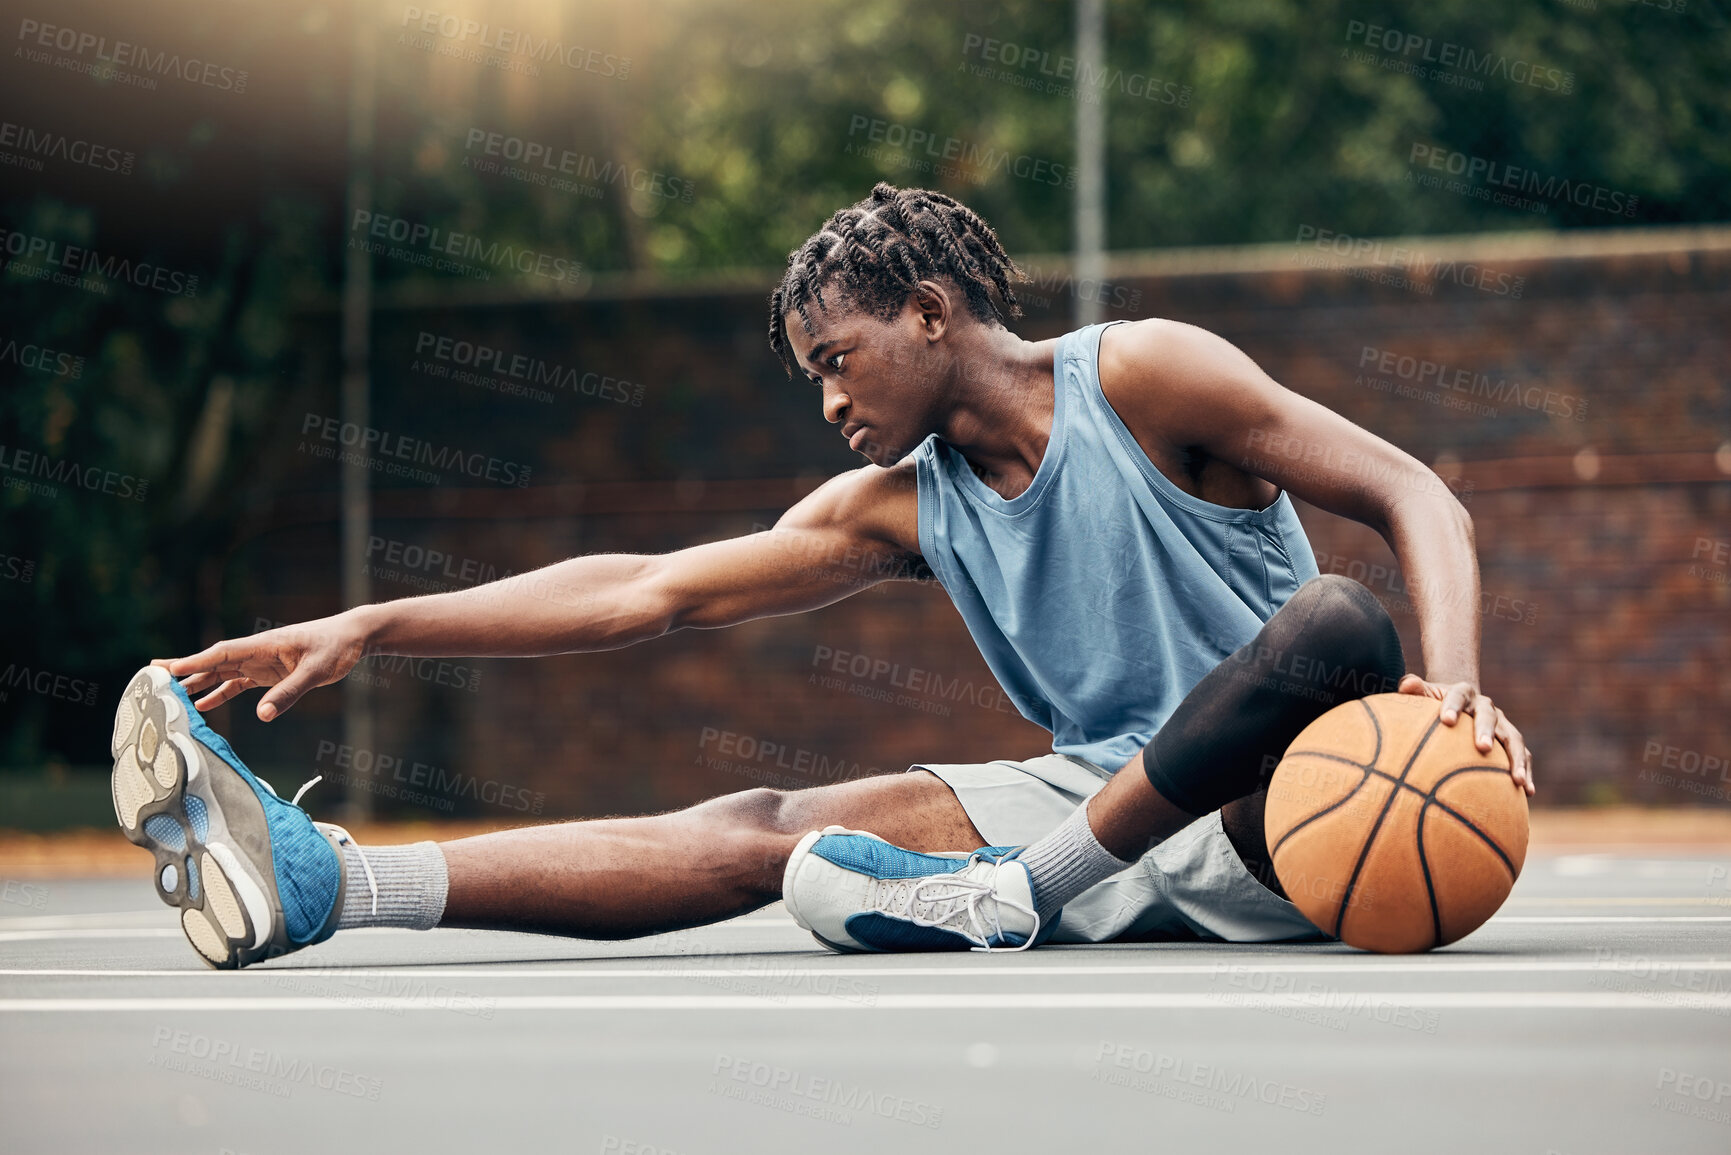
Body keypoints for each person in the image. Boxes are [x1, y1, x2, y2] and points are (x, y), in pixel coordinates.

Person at [111, 182, 1532, 968]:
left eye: (838, 363)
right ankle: (335, 888)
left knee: (1340, 621)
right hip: (1106, 801)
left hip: (1289, 805)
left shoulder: (1149, 373)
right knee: (767, 823)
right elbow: (648, 588)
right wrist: (378, 619)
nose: (831, 405)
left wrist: (1455, 696)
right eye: (812, 383)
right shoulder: (896, 509)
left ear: (931, 313)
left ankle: (1016, 890)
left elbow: (1417, 493)